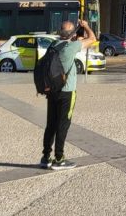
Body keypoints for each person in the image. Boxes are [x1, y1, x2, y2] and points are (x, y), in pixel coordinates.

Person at [41, 17, 96, 170]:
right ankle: (59, 158)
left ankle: (46, 157)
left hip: (52, 90)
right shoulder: (70, 47)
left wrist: (75, 35)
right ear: (72, 34)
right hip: (67, 91)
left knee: (51, 124)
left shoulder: (54, 45)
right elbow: (92, 38)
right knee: (63, 125)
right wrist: (85, 26)